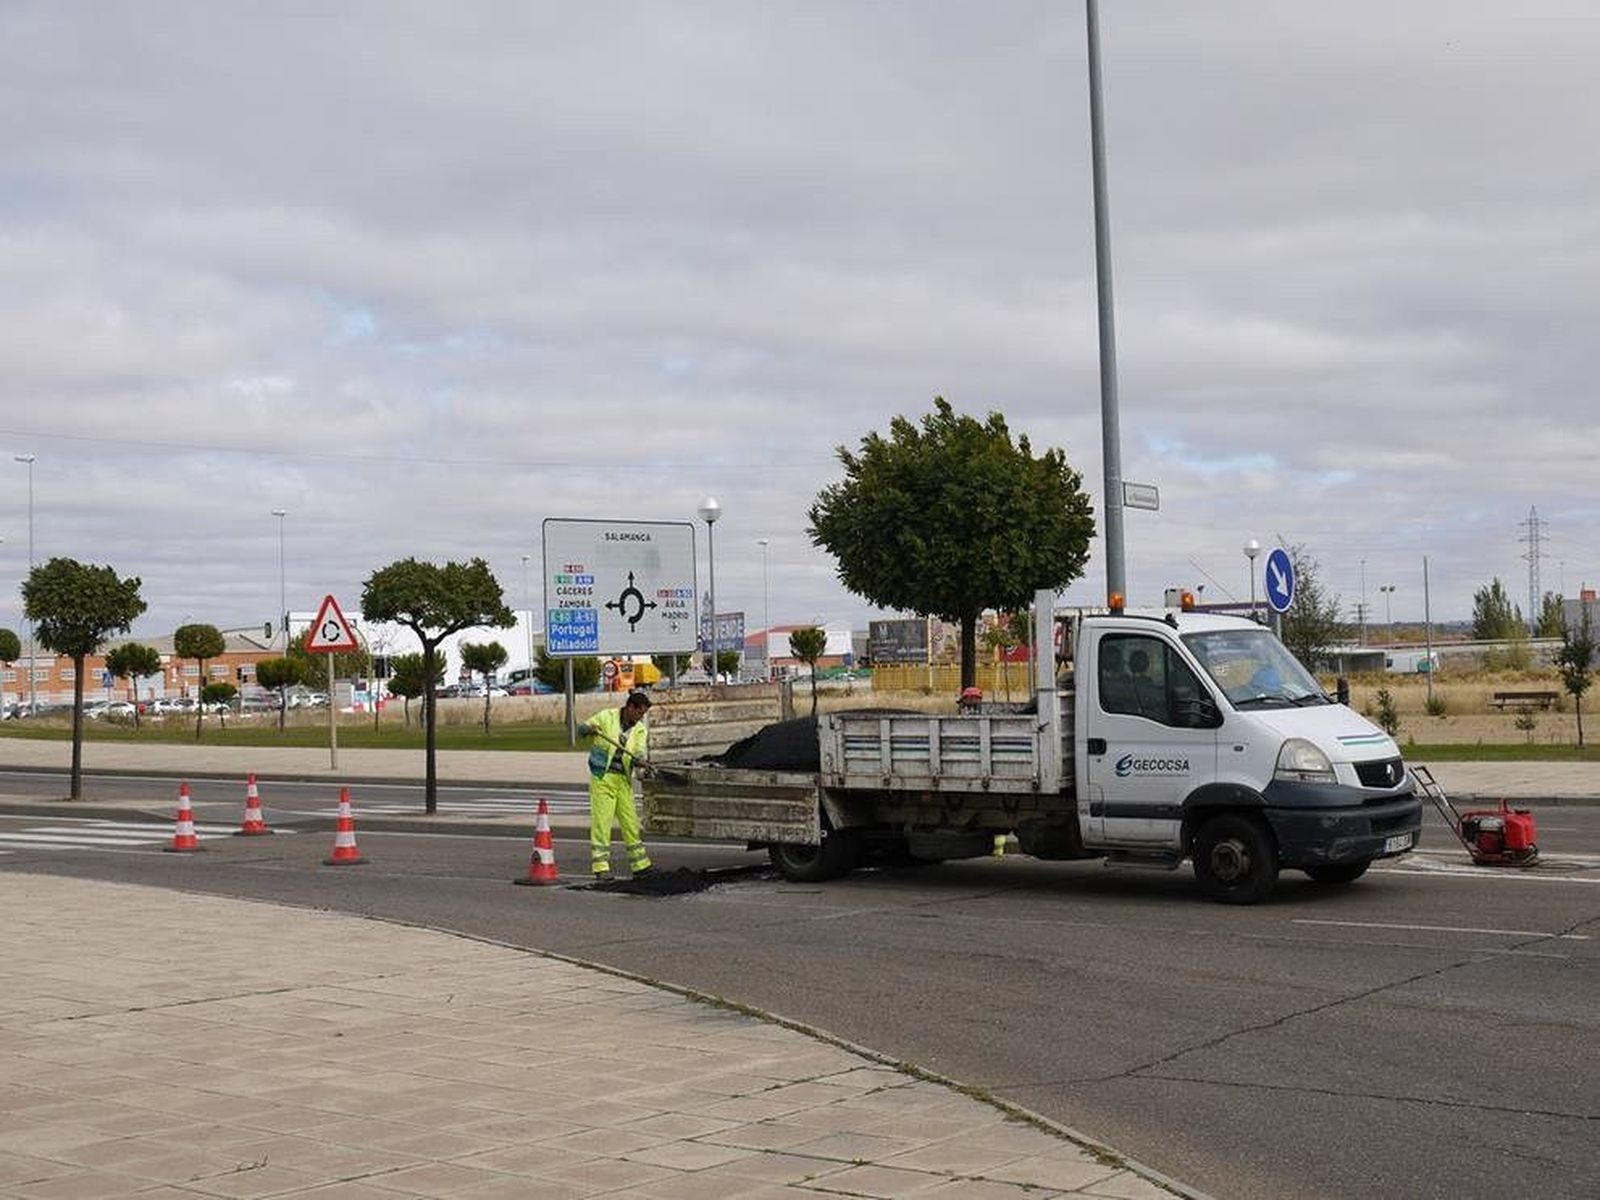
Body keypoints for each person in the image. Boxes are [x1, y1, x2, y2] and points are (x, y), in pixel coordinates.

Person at [576, 689, 655, 880]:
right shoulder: (606, 717)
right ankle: (601, 867)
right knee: (602, 823)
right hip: (603, 777)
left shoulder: (640, 729)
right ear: (629, 707)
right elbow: (581, 730)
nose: (640, 717)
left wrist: (640, 761)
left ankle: (640, 865)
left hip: (623, 780)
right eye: (639, 712)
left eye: (643, 714)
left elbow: (638, 751)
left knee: (630, 823)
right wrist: (588, 730)